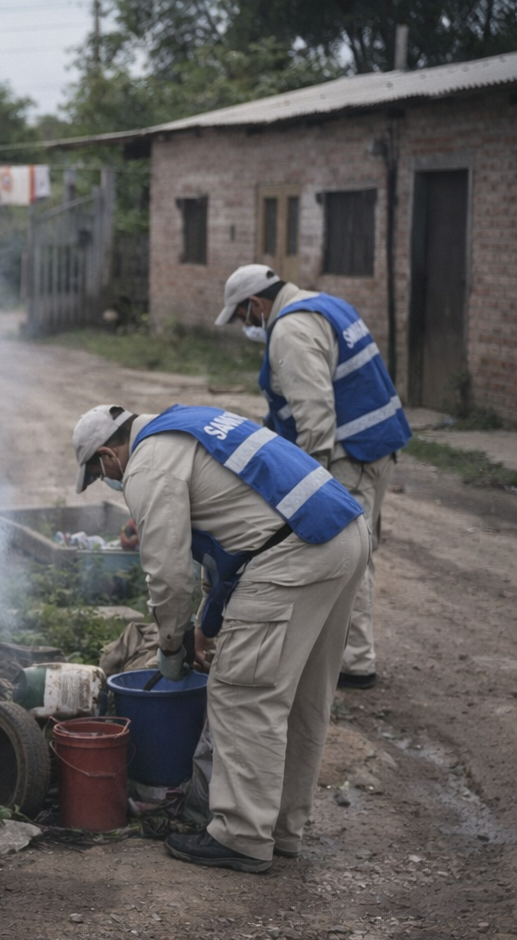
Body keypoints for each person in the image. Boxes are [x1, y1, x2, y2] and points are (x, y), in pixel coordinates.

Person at [73, 403, 370, 873]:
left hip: (293, 554)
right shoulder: (185, 422)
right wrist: (205, 627)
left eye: (99, 474)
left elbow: (169, 577)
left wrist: (171, 645)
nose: (109, 483)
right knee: (302, 699)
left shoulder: (147, 465)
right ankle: (280, 831)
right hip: (341, 531)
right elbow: (228, 541)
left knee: (242, 694)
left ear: (109, 456)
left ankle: (241, 836)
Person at [215, 264, 412, 689]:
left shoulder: (289, 331)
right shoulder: (326, 305)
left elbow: (315, 417)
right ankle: (354, 654)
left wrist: (306, 491)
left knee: (347, 557)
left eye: (242, 317)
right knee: (361, 552)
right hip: (378, 445)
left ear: (256, 305)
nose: (245, 326)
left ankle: (355, 664)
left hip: (350, 455)